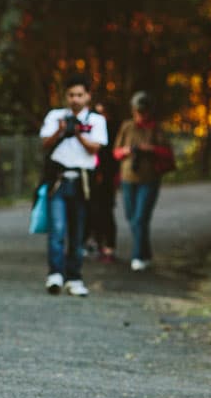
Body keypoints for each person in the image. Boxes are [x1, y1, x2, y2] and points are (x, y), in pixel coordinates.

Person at [38, 74, 109, 296]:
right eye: (71, 95)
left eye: (79, 95)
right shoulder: (55, 117)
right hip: (59, 180)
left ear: (88, 96)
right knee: (57, 229)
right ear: (65, 96)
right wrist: (62, 130)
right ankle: (55, 274)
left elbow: (95, 148)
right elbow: (45, 143)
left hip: (83, 182)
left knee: (78, 232)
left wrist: (77, 132)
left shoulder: (96, 121)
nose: (75, 99)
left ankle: (74, 277)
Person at [113, 91, 168, 271]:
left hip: (149, 179)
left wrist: (149, 149)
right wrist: (128, 151)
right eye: (138, 111)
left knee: (140, 218)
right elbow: (116, 152)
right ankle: (146, 253)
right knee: (131, 217)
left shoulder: (156, 128)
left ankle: (137, 256)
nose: (141, 115)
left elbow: (167, 153)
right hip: (128, 178)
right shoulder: (127, 127)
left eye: (144, 111)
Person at [85, 102, 119, 263]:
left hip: (106, 179)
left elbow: (113, 158)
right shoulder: (90, 130)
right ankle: (97, 244)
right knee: (93, 212)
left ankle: (109, 246)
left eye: (103, 113)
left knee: (106, 212)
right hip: (91, 178)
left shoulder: (112, 132)